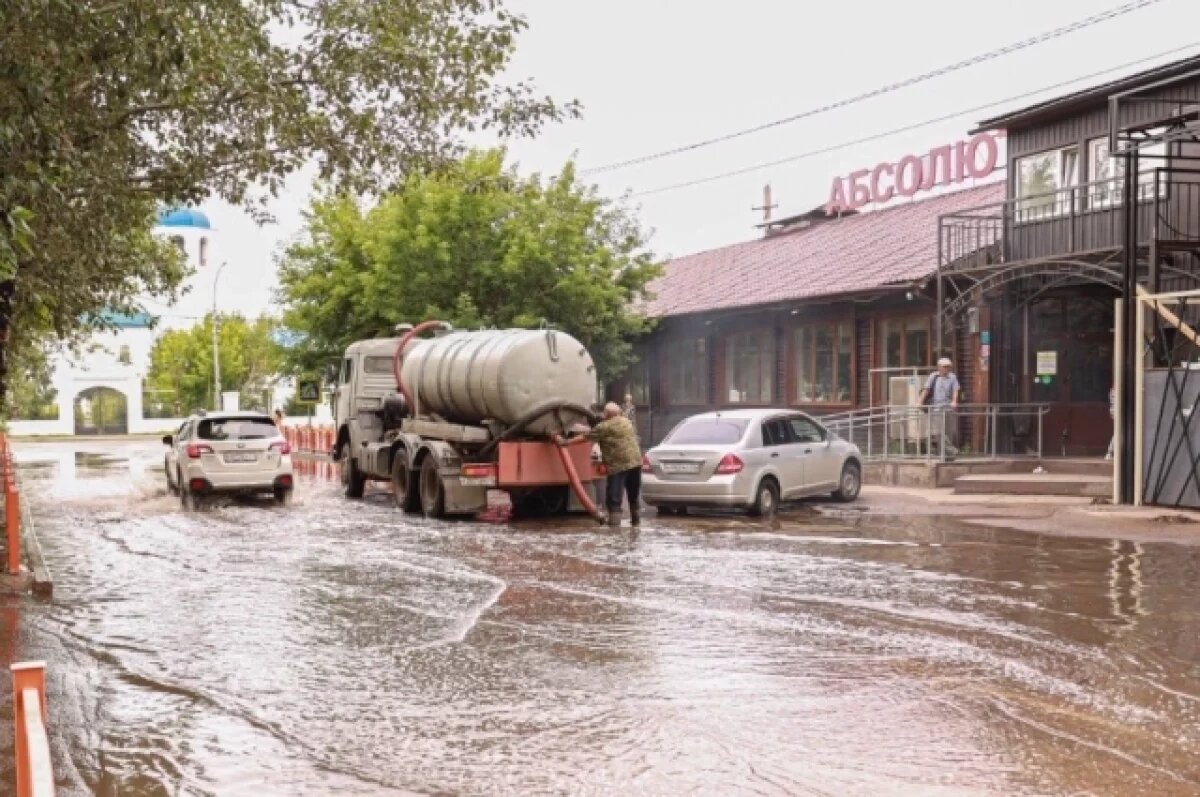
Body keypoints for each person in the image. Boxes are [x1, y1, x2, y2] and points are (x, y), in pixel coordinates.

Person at [558, 402, 642, 527]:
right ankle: (636, 522)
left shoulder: (603, 427)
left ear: (606, 414)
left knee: (614, 497)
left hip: (618, 466)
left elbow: (585, 437)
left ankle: (614, 528)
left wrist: (566, 442)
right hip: (636, 463)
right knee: (633, 494)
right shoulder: (627, 422)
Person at [919, 357, 961, 457]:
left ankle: (945, 454)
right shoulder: (933, 376)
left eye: (948, 367)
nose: (947, 369)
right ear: (939, 367)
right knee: (938, 431)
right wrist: (920, 402)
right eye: (945, 367)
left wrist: (954, 401)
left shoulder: (952, 377)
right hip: (935, 407)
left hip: (948, 406)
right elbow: (926, 390)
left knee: (949, 431)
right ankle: (951, 450)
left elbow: (955, 390)